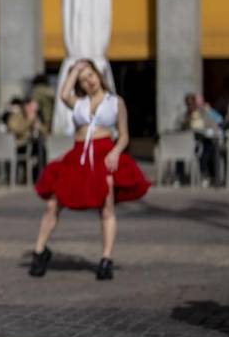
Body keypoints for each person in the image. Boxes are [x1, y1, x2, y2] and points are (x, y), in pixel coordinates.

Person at [31, 60, 151, 280]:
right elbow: (63, 95)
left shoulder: (115, 102)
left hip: (104, 155)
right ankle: (39, 251)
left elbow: (124, 135)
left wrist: (115, 152)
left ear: (98, 74)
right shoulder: (79, 103)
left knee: (106, 207)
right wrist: (74, 69)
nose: (89, 80)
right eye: (83, 79)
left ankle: (106, 259)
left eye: (91, 74)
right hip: (78, 157)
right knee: (53, 203)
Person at [176, 93, 222, 185]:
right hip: (188, 144)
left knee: (207, 149)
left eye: (192, 104)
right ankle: (180, 176)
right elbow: (178, 128)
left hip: (203, 141)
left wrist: (205, 129)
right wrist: (186, 123)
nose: (190, 106)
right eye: (188, 104)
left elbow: (215, 126)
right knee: (179, 151)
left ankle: (205, 175)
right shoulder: (184, 116)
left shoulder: (204, 113)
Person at [6, 97, 47, 183]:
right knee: (38, 148)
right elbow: (14, 129)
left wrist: (39, 127)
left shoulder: (36, 116)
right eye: (31, 107)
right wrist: (28, 122)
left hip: (32, 144)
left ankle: (39, 176)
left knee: (41, 148)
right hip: (18, 146)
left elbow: (46, 131)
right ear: (25, 106)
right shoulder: (16, 116)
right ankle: (33, 177)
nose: (33, 110)